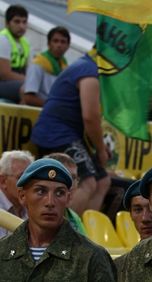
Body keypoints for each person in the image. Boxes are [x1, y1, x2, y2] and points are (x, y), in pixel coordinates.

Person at [30, 49, 112, 216]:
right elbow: (90, 117)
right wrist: (100, 150)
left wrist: (101, 146)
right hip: (55, 134)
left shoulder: (86, 66)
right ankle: (60, 230)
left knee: (103, 182)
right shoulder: (89, 71)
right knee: (87, 183)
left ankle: (82, 229)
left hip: (66, 133)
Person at [0, 150, 34, 246]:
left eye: (31, 178)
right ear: (3, 181)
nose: (28, 183)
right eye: (21, 177)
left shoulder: (32, 206)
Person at [0, 4, 30, 103]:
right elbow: (5, 75)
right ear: (7, 23)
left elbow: (30, 70)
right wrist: (31, 81)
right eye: (17, 22)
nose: (21, 26)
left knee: (38, 89)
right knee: (27, 89)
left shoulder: (25, 43)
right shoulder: (1, 40)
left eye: (24, 22)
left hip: (6, 83)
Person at [24, 25, 70, 107]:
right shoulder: (37, 65)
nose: (59, 45)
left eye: (63, 42)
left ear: (68, 46)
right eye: (55, 41)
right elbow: (29, 98)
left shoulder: (65, 67)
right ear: (48, 44)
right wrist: (51, 108)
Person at [46, 152, 87, 234]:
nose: (71, 183)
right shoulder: (44, 212)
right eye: (65, 176)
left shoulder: (73, 216)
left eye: (74, 177)